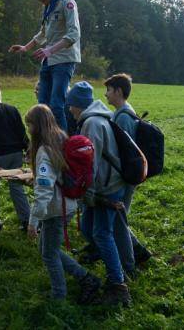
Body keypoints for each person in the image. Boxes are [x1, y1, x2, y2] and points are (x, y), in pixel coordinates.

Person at [25, 104, 101, 303]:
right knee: (48, 250)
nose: (29, 129)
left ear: (37, 125)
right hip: (68, 203)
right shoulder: (61, 138)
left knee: (49, 255)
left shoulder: (44, 149)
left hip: (55, 209)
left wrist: (33, 221)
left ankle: (60, 296)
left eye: (30, 125)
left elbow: (43, 191)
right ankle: (86, 278)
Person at [67, 81, 131, 306]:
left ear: (77, 104)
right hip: (103, 185)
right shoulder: (95, 118)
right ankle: (116, 265)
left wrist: (87, 193)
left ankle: (118, 284)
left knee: (103, 233)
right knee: (87, 229)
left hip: (107, 187)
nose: (69, 110)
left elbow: (89, 164)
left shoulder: (92, 123)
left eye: (71, 105)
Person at [9, 0, 80, 132]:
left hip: (64, 60)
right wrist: (26, 47)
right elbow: (43, 33)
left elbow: (74, 34)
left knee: (56, 105)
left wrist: (50, 50)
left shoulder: (67, 3)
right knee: (42, 106)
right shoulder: (48, 7)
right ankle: (44, 141)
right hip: (48, 61)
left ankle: (62, 143)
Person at [104, 73, 152, 267]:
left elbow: (122, 151)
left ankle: (136, 254)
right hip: (128, 175)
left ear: (119, 91)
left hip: (124, 177)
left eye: (108, 90)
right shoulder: (123, 112)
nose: (106, 94)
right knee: (117, 219)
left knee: (118, 220)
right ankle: (133, 253)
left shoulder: (123, 117)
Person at [0, 84, 30, 231]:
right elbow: (21, 130)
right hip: (16, 153)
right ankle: (27, 220)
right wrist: (27, 147)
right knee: (16, 187)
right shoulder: (13, 109)